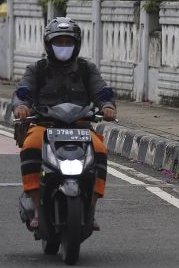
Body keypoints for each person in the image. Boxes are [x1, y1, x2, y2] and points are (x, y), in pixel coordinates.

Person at [11, 17, 117, 232]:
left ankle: (92, 209)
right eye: (59, 42)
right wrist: (21, 106)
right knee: (30, 146)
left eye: (68, 42)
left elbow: (101, 91)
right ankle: (37, 207)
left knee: (100, 150)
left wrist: (107, 105)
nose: (64, 46)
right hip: (45, 126)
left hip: (80, 127)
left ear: (76, 44)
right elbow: (23, 91)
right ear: (48, 44)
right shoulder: (37, 69)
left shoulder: (87, 69)